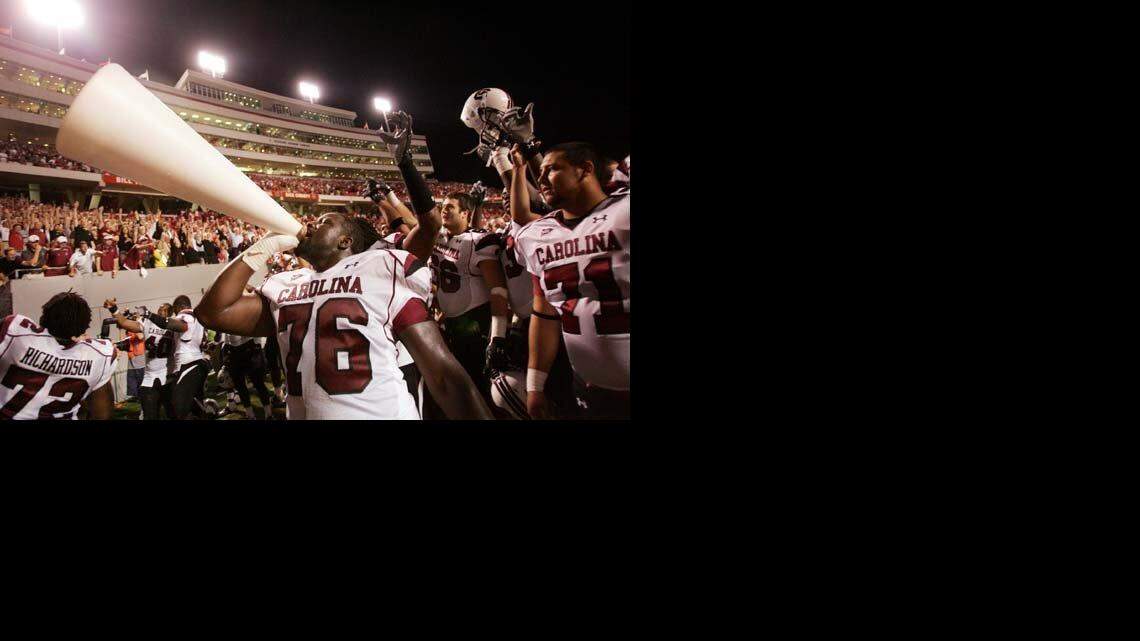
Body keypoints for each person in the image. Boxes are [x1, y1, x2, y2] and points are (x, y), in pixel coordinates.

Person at [194, 209, 493, 420]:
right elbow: (212, 312)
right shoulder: (287, 283)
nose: (312, 223)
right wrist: (262, 248)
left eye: (324, 222)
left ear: (345, 241)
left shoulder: (381, 266)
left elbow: (443, 375)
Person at [510, 142, 630, 419]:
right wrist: (534, 387)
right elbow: (545, 312)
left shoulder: (623, 209)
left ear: (585, 170)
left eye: (551, 169)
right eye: (538, 173)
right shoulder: (535, 234)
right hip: (588, 388)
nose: (540, 179)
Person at [0, 292, 115, 420]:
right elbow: (102, 414)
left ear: (44, 317)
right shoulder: (98, 354)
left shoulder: (15, 332)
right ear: (84, 327)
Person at [102, 300, 176, 420]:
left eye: (164, 310)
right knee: (150, 415)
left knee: (172, 413)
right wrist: (114, 309)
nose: (160, 311)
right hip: (149, 377)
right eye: (160, 309)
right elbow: (125, 322)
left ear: (170, 313)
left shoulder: (173, 325)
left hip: (168, 375)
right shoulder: (148, 322)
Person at [164, 295, 210, 419]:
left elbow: (182, 325)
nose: (174, 312)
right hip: (198, 360)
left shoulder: (185, 315)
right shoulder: (198, 317)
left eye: (175, 309)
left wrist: (153, 317)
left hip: (188, 363)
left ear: (181, 306)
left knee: (178, 406)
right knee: (195, 403)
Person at [218, 332, 273, 419]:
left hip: (250, 343)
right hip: (231, 347)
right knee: (240, 386)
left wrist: (258, 344)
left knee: (259, 384)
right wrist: (224, 349)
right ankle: (250, 415)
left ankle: (268, 414)